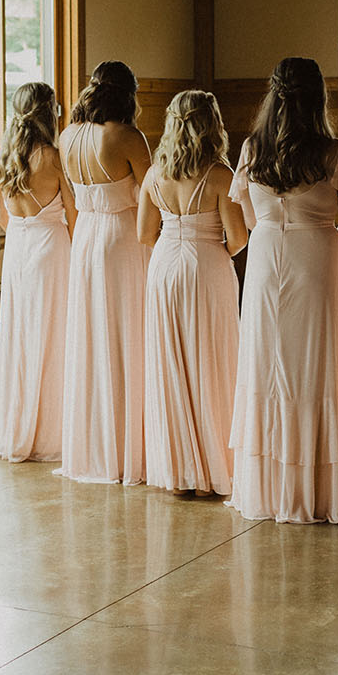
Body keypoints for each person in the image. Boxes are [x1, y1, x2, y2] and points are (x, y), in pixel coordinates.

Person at [228, 57, 338, 524]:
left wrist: (274, 231)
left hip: (265, 261)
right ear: (319, 97)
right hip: (318, 260)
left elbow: (246, 215)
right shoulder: (333, 152)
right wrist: (329, 251)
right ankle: (316, 490)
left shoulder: (251, 148)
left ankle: (268, 488)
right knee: (314, 368)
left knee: (268, 366)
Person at [137, 89, 247, 496]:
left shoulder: (154, 174)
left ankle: (180, 474)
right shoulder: (220, 175)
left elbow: (144, 234)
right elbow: (237, 239)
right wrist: (205, 245)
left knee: (172, 365)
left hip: (164, 267)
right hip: (207, 268)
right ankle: (213, 472)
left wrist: (177, 239)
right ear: (211, 124)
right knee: (211, 362)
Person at [58, 61, 152, 484]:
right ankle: (130, 447)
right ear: (129, 95)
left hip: (86, 238)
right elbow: (156, 197)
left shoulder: (67, 137)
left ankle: (95, 448)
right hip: (122, 238)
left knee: (94, 341)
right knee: (128, 338)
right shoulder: (127, 137)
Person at [0, 82, 75, 464]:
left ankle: (17, 430)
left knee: (21, 339)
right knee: (53, 338)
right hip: (51, 250)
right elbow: (74, 218)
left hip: (18, 251)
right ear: (49, 113)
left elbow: (2, 219)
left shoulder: (1, 157)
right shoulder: (54, 158)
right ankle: (50, 435)